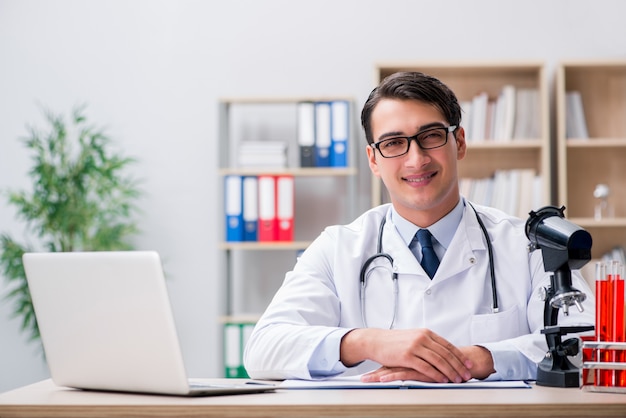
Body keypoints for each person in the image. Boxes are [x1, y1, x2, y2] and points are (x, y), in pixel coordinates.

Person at [243, 71, 595, 383]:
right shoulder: (337, 248)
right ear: (374, 160)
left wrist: (479, 359)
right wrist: (369, 341)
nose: (416, 159)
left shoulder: (527, 244)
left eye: (430, 136)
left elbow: (587, 342)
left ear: (459, 142)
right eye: (394, 143)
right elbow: (263, 350)